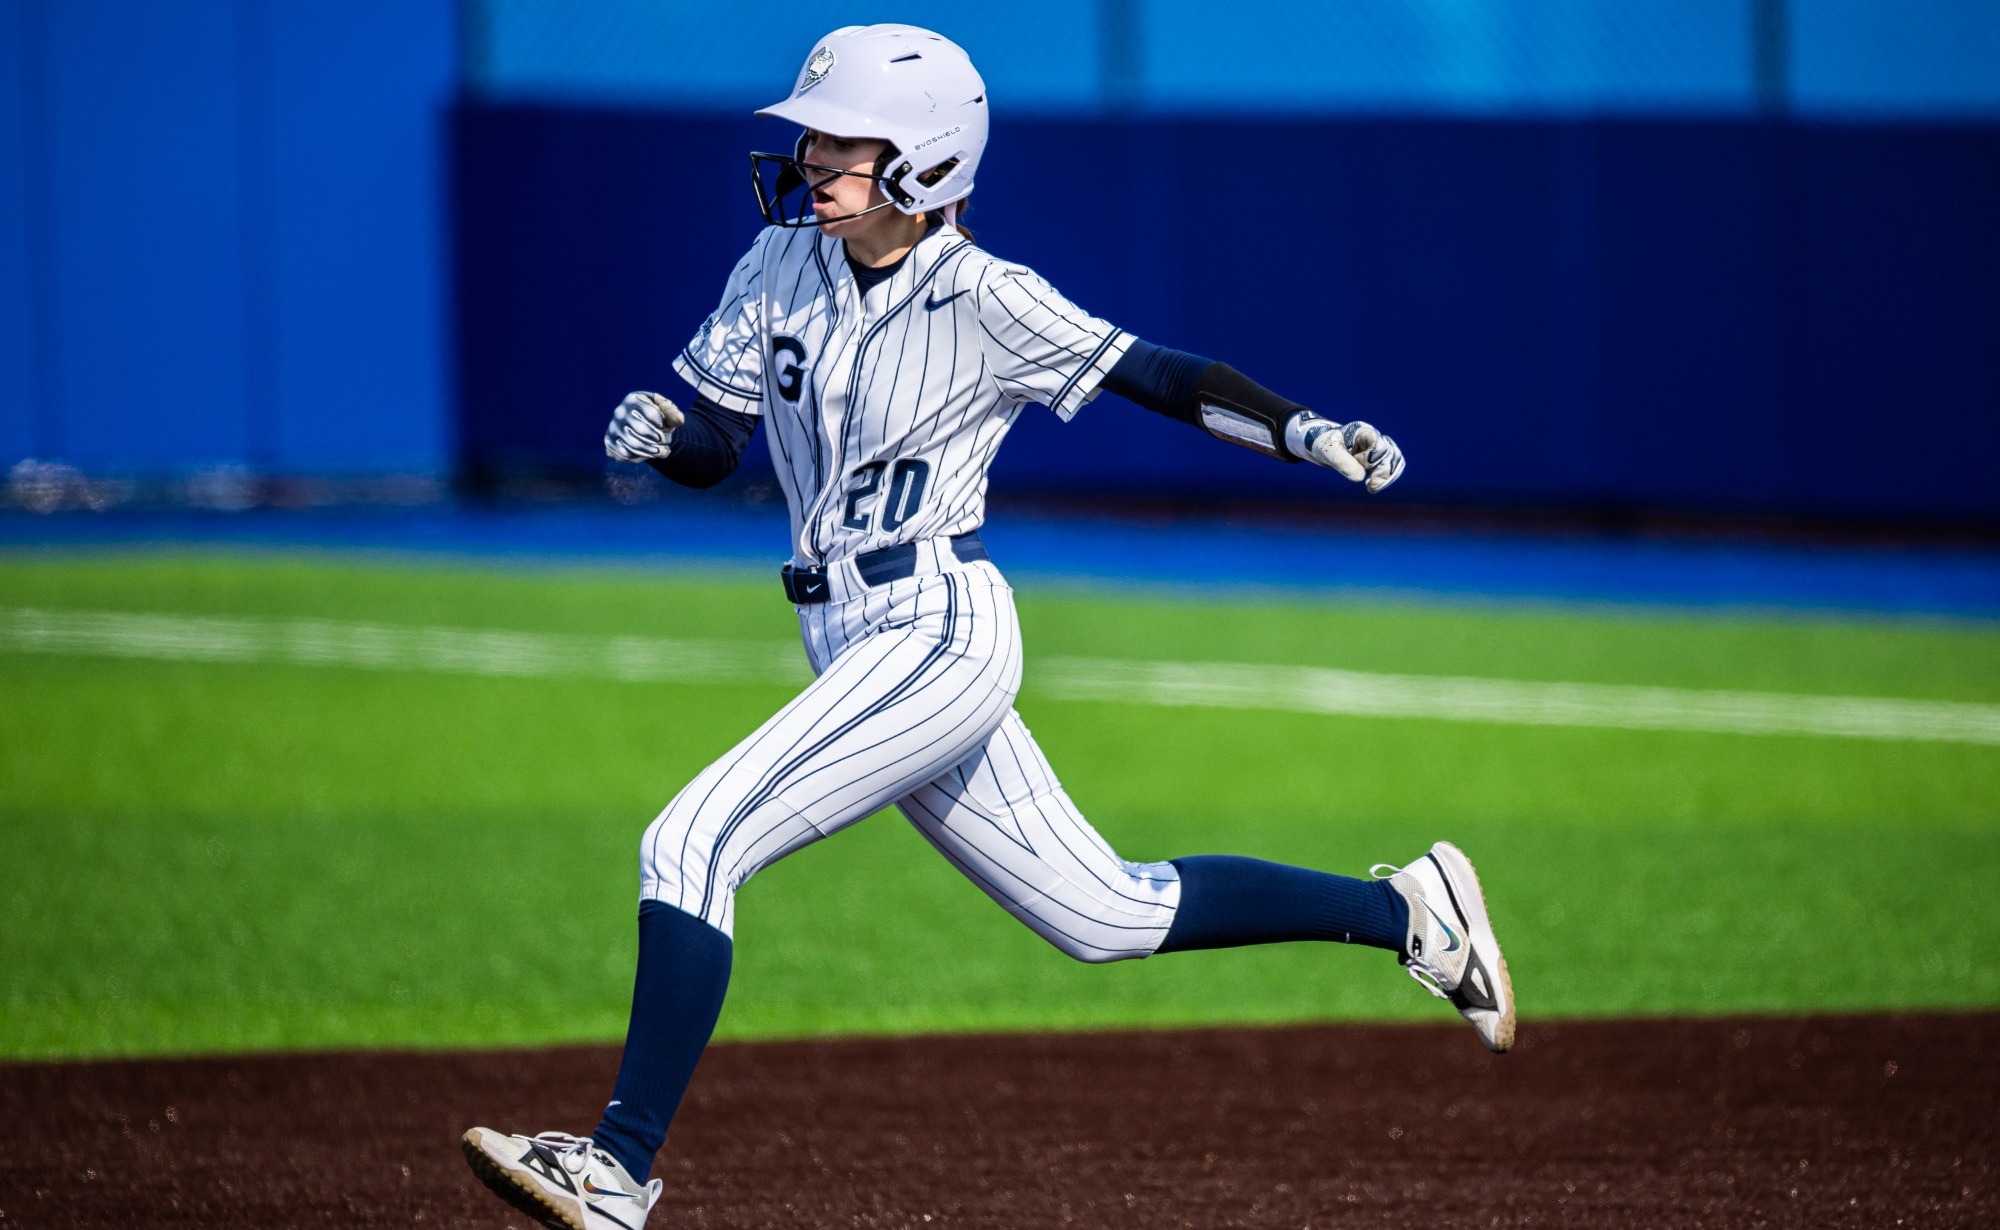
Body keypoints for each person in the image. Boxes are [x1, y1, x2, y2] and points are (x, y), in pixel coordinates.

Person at [461, 24, 1511, 1230]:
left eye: (842, 138)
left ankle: (614, 1169)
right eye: (811, 134)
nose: (810, 157)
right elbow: (720, 437)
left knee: (689, 842)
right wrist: (667, 436)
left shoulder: (985, 295)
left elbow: (1154, 373)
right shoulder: (775, 262)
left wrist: (1305, 431)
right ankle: (1412, 914)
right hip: (848, 633)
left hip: (938, 625)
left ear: (924, 157)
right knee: (1104, 914)